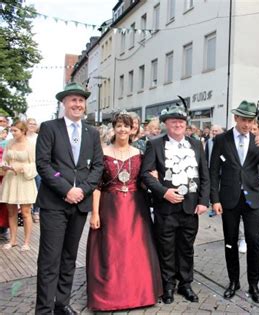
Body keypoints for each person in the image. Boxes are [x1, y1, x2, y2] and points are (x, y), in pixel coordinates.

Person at [35, 82, 104, 314]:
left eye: (81, 100)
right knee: (49, 259)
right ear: (63, 103)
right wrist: (67, 189)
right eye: (73, 100)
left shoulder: (92, 133)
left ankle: (61, 304)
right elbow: (43, 164)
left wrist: (82, 190)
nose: (78, 104)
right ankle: (44, 309)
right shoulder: (49, 128)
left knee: (69, 257)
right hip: (54, 203)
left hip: (80, 205)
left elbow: (97, 167)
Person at [86, 113, 162, 311]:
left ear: (132, 130)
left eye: (126, 127)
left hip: (136, 208)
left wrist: (156, 178)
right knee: (111, 250)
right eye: (119, 126)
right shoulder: (102, 153)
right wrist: (94, 213)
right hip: (109, 207)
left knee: (136, 250)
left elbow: (144, 180)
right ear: (114, 127)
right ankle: (109, 296)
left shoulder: (139, 154)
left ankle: (140, 293)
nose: (122, 130)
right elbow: (96, 186)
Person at [141, 103, 210, 305]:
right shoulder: (154, 144)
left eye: (181, 121)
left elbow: (205, 175)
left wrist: (204, 201)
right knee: (166, 248)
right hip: (166, 208)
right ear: (166, 124)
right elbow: (146, 174)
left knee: (186, 248)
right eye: (173, 121)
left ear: (186, 124)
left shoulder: (196, 144)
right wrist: (164, 192)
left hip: (190, 207)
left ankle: (185, 284)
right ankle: (168, 285)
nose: (178, 124)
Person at [210, 100, 259, 303]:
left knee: (253, 242)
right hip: (229, 199)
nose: (246, 124)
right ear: (235, 118)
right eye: (243, 119)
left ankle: (253, 285)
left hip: (252, 199)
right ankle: (233, 281)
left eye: (250, 120)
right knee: (230, 243)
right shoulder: (221, 139)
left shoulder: (258, 140)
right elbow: (213, 172)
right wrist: (215, 199)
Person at [0, 120, 37, 251]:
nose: (13, 133)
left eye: (15, 130)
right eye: (11, 130)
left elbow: (35, 164)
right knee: (11, 212)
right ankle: (13, 240)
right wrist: (4, 165)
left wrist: (23, 168)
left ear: (23, 131)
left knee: (26, 212)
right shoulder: (10, 143)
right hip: (10, 179)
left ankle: (26, 242)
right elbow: (4, 158)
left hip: (24, 181)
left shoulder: (31, 145)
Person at [238, 120, 259, 253]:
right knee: (243, 212)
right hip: (245, 183)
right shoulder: (241, 142)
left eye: (254, 129)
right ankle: (243, 239)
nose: (251, 131)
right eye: (250, 129)